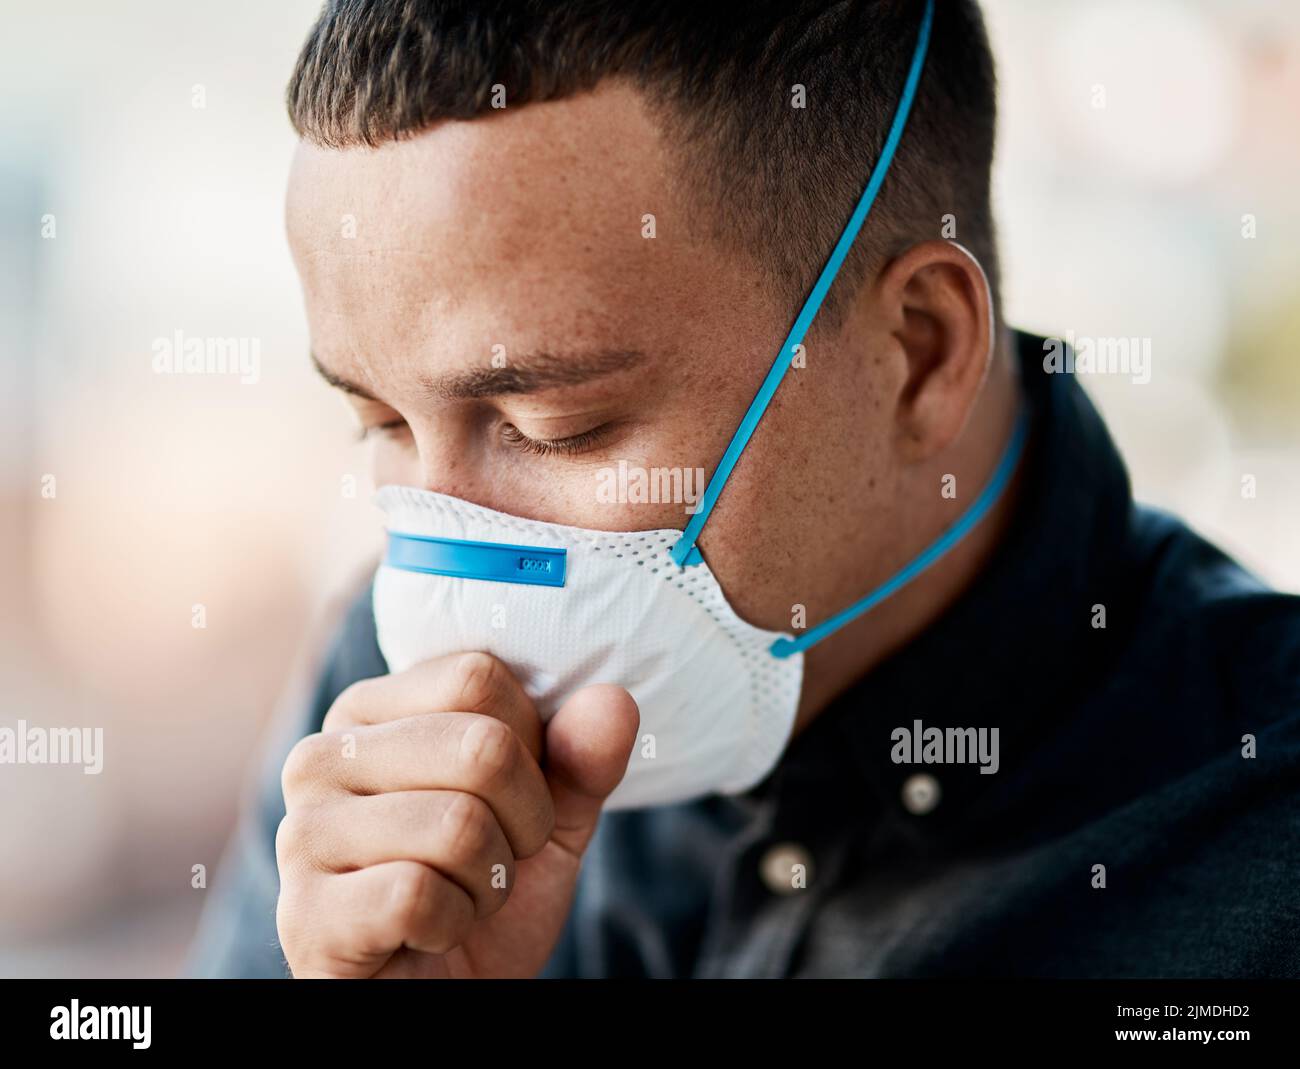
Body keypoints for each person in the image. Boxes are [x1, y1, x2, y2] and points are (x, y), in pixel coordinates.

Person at [186, 0, 1300, 978]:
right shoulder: (385, 720)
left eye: (551, 427)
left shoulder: (1258, 845)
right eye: (378, 420)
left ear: (915, 352)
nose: (444, 576)